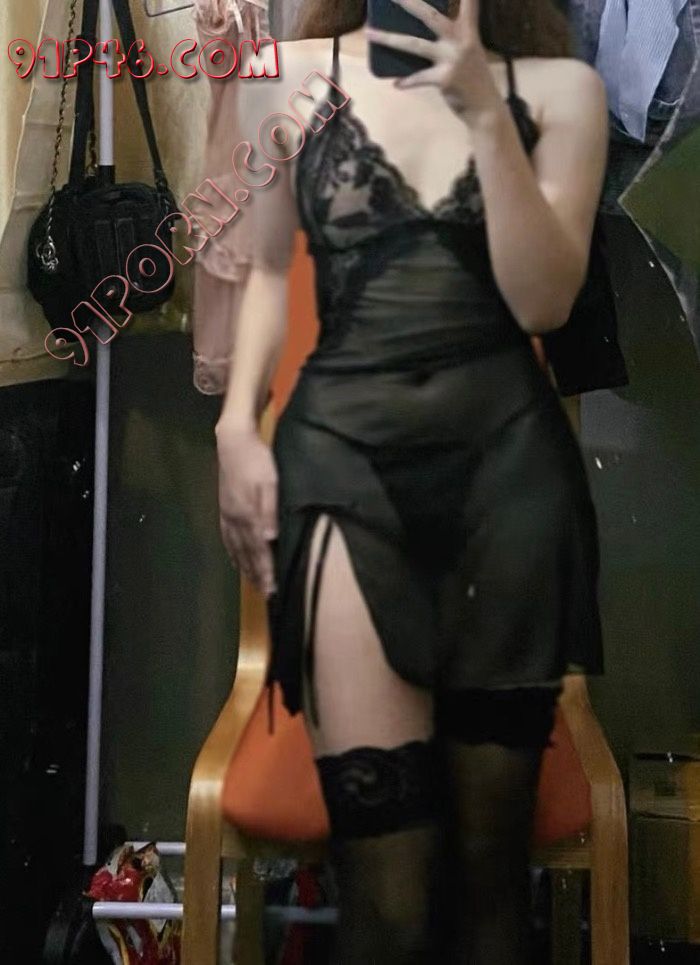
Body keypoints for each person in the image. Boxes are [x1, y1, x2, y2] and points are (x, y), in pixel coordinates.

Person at [216, 0, 609, 961]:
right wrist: (233, 426)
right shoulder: (284, 74)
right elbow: (265, 270)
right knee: (383, 889)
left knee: (490, 884)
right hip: (343, 469)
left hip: (509, 484)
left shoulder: (563, 91)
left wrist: (487, 118)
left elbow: (543, 301)